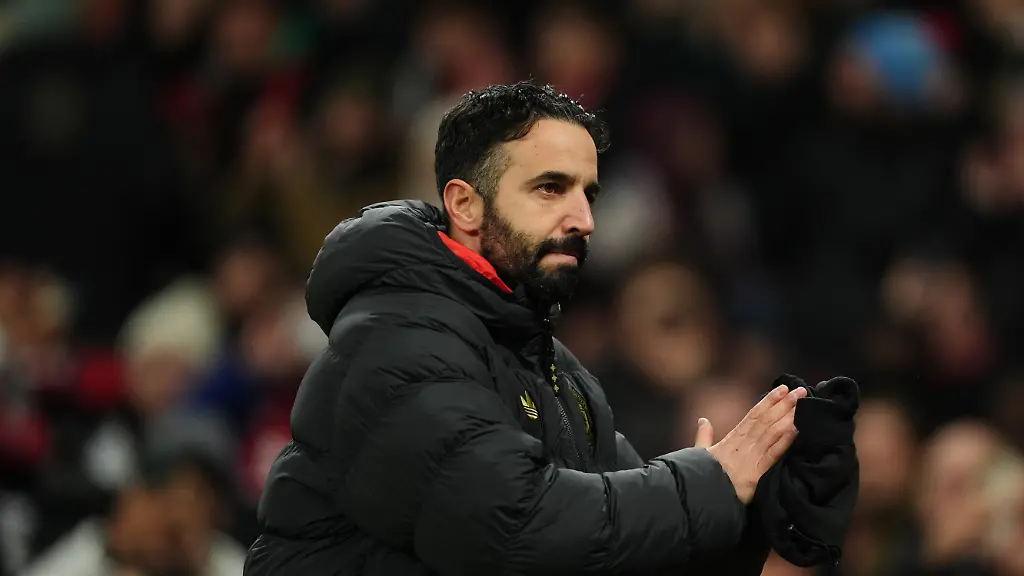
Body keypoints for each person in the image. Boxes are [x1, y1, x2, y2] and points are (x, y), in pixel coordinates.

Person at [243, 81, 808, 575]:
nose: (584, 220)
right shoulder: (399, 341)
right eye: (549, 189)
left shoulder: (552, 367)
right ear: (465, 205)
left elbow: (625, 548)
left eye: (588, 194)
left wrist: (766, 505)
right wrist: (709, 483)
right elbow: (517, 529)